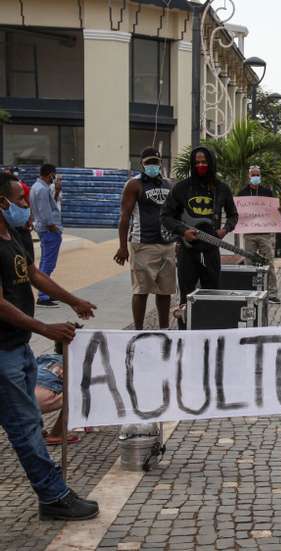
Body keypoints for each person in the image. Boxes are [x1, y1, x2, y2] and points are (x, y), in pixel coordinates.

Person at [0, 176, 100, 520]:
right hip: (3, 353)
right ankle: (54, 496)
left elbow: (32, 274)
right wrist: (45, 327)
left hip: (18, 347)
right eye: (20, 200)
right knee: (26, 427)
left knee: (25, 423)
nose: (25, 206)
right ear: (1, 202)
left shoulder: (14, 234)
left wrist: (72, 300)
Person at [161, 146, 238, 319]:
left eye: (204, 162)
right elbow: (165, 216)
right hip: (187, 251)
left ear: (211, 163)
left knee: (213, 295)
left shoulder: (222, 189)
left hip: (211, 250)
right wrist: (182, 231)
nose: (200, 165)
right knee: (186, 297)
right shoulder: (180, 188)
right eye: (197, 163)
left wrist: (224, 230)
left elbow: (233, 215)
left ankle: (210, 330)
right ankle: (185, 334)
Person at [113, 148, 177, 330]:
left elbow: (174, 215)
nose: (152, 166)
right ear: (142, 164)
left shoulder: (168, 184)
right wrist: (122, 247)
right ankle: (138, 331)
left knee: (165, 291)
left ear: (160, 163)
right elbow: (124, 217)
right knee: (141, 291)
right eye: (148, 163)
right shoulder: (134, 185)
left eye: (155, 162)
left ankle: (164, 329)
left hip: (166, 244)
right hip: (142, 244)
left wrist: (177, 240)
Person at [236, 166, 281, 303]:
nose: (255, 177)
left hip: (264, 233)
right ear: (249, 176)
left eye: (258, 174)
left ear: (260, 176)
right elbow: (237, 211)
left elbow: (273, 210)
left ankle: (272, 293)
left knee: (269, 262)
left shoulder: (267, 192)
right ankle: (251, 291)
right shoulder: (242, 193)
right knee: (249, 264)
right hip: (249, 234)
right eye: (253, 174)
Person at [29, 164, 63, 308]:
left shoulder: (36, 187)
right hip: (49, 230)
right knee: (48, 263)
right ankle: (43, 296)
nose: (54, 179)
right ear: (50, 174)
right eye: (53, 175)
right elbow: (45, 212)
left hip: (44, 229)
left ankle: (45, 293)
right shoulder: (42, 189)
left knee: (45, 262)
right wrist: (53, 228)